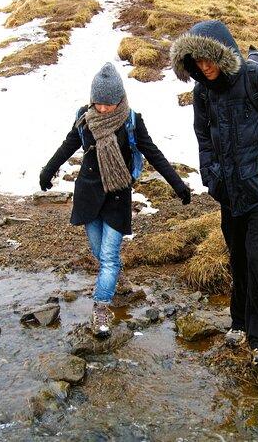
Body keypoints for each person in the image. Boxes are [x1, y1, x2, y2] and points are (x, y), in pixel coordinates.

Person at [170, 21, 258, 364]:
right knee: (238, 257)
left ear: (224, 54)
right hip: (229, 191)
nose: (204, 66)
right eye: (196, 61)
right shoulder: (203, 92)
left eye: (209, 59)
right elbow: (203, 136)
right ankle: (239, 323)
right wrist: (211, 176)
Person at [39, 62, 191, 338]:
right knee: (101, 254)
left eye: (109, 103)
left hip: (118, 196)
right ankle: (117, 281)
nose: (104, 109)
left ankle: (101, 309)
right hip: (88, 196)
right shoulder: (84, 119)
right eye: (99, 103)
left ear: (119, 99)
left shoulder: (131, 120)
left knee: (109, 257)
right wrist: (48, 171)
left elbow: (153, 153)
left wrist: (178, 185)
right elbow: (66, 147)